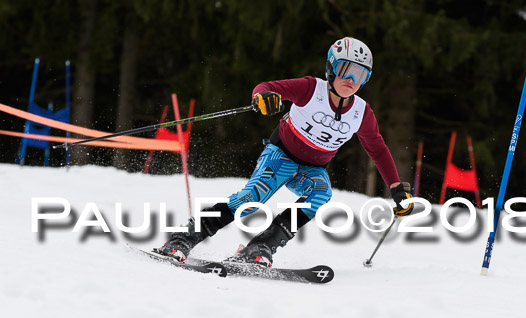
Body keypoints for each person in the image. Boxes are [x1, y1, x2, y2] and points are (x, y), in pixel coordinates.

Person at [155, 37, 414, 267]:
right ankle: (182, 239)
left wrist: (395, 187)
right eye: (345, 70)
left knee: (321, 194)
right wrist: (263, 97)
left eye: (360, 74)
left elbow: (377, 149)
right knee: (249, 201)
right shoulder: (311, 89)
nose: (351, 80)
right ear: (331, 68)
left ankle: (261, 246)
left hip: (312, 170)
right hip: (280, 156)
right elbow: (267, 86)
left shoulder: (361, 112)